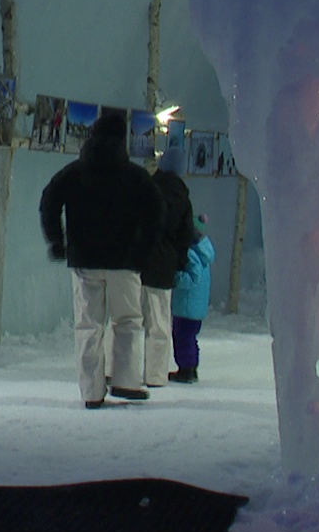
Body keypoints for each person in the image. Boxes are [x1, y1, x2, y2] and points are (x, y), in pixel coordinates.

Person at [40, 109, 165, 408]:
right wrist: (144, 249)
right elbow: (156, 212)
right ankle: (126, 381)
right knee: (128, 321)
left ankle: (91, 392)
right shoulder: (135, 176)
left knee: (89, 325)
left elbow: (49, 201)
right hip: (125, 261)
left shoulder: (74, 172)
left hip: (84, 260)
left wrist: (57, 240)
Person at [140, 143, 197, 387]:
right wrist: (179, 263)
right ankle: (155, 375)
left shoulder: (146, 189)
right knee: (160, 323)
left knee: (128, 320)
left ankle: (119, 370)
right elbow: (185, 236)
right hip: (164, 266)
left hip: (138, 261)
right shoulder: (183, 198)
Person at [170, 212, 215, 384]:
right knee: (190, 338)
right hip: (196, 307)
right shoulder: (204, 252)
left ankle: (186, 369)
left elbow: (193, 278)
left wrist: (175, 278)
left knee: (182, 337)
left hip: (186, 306)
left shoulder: (190, 253)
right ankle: (191, 367)